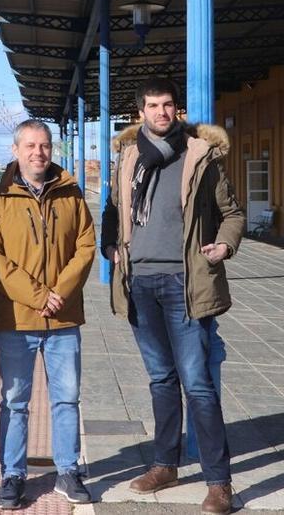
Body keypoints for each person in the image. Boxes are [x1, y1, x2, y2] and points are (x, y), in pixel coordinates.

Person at [101, 78, 246, 515]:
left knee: (198, 383)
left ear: (176, 111)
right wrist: (110, 246)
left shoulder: (200, 156)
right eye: (152, 105)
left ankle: (219, 482)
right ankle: (166, 464)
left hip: (185, 283)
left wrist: (224, 245)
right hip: (140, 283)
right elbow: (111, 210)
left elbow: (233, 213)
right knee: (161, 380)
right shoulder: (127, 158)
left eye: (167, 105)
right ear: (140, 112)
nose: (160, 113)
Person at [0, 119, 96, 508]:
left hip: (63, 317)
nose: (38, 153)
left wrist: (58, 293)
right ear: (15, 150)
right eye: (30, 146)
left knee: (67, 399)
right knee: (14, 401)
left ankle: (67, 471)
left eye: (44, 146)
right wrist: (37, 296)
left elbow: (85, 245)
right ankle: (12, 475)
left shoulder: (71, 193)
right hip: (16, 319)